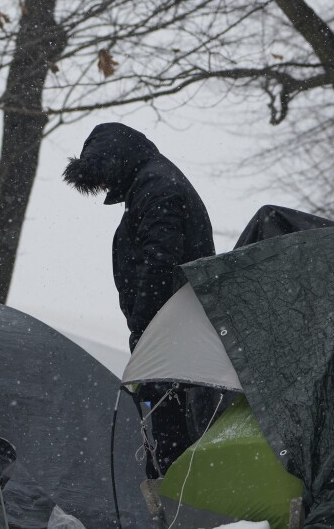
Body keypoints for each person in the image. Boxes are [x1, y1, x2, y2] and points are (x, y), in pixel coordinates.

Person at [63, 122, 219, 476]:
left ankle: (174, 500)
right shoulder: (153, 182)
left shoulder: (157, 187)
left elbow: (160, 263)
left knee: (170, 439)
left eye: (102, 177)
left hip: (169, 335)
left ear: (115, 162)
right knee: (168, 429)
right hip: (172, 330)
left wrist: (144, 327)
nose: (103, 187)